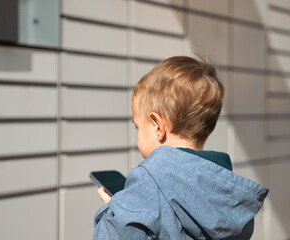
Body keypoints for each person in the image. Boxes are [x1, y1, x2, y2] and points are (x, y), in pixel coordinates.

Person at [93, 56, 269, 239]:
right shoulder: (229, 193)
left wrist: (113, 211)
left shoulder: (150, 182)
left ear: (157, 126)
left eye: (138, 126)